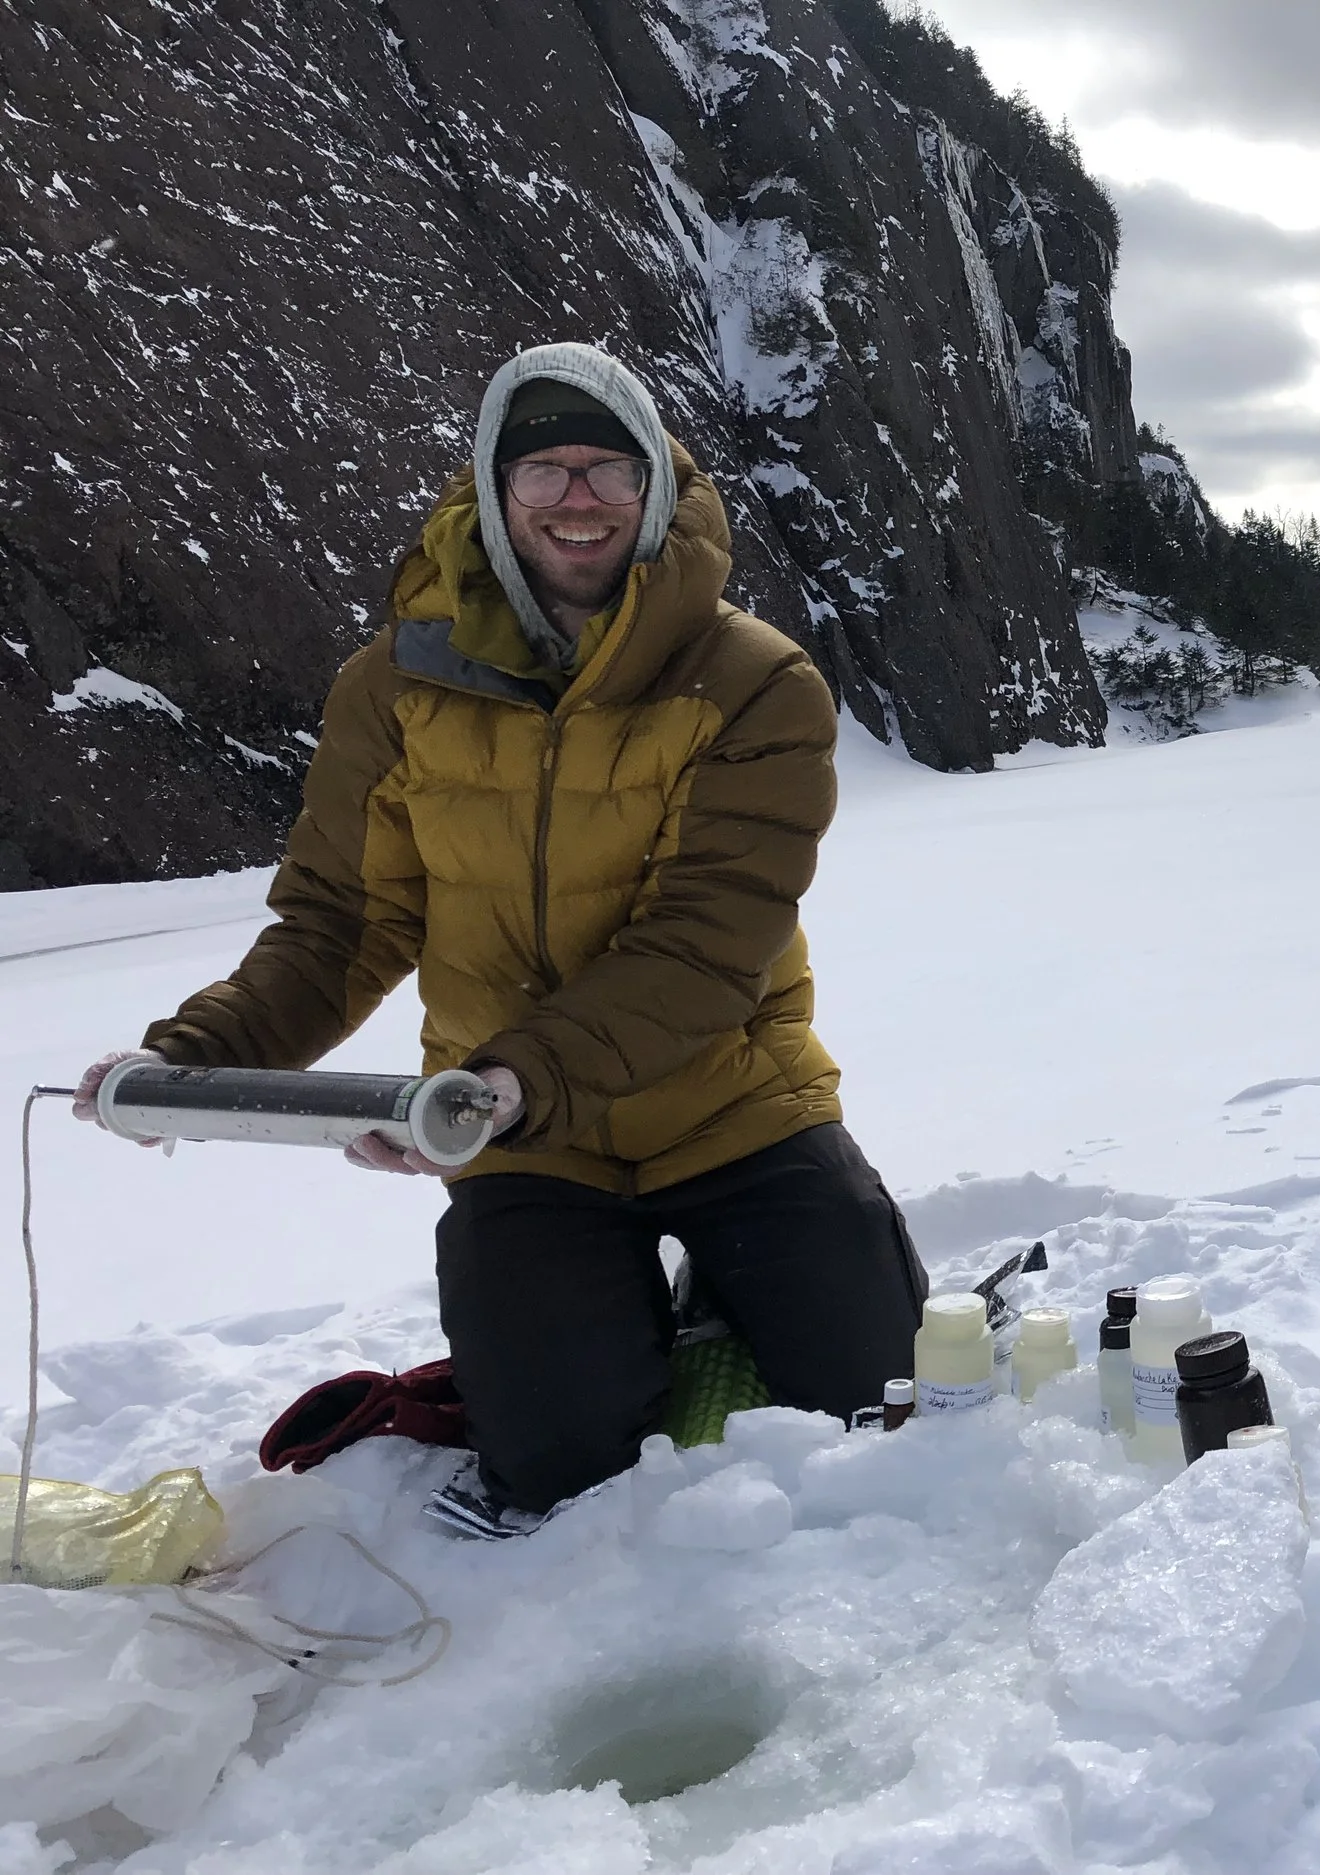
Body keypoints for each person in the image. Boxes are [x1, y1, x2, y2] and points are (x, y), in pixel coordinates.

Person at [73, 343, 928, 1536]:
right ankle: (634, 1324)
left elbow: (705, 941)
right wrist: (191, 1055)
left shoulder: (753, 680)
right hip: (523, 1142)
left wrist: (504, 1082)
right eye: (541, 470)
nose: (575, 498)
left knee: (881, 1401)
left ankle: (736, 1295)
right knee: (566, 1467)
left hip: (730, 1105)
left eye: (607, 469)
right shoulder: (392, 687)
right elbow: (343, 922)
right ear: (492, 488)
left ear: (656, 489)